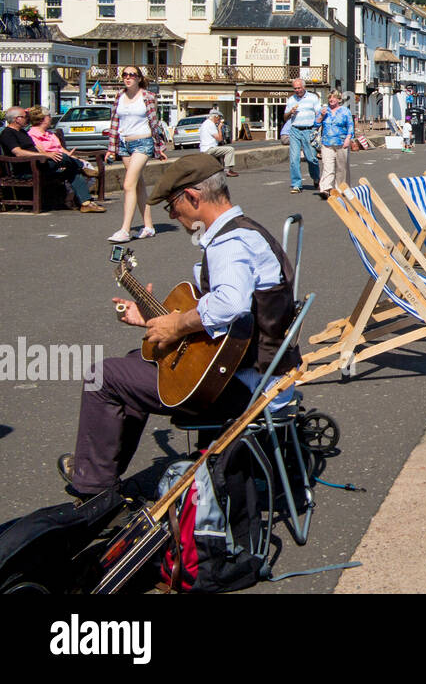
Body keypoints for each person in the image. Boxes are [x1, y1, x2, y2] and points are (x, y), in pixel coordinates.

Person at [57, 155, 299, 501]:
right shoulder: (245, 229)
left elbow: (231, 304)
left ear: (193, 197)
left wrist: (179, 324)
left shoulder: (228, 244)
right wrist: (154, 320)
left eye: (172, 206)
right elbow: (227, 310)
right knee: (138, 361)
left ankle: (93, 489)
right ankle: (97, 467)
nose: (172, 216)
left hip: (246, 388)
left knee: (104, 376)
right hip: (261, 372)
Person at [104, 66, 169, 241]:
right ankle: (148, 226)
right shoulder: (119, 96)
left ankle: (125, 230)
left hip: (143, 142)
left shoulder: (148, 97)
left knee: (128, 185)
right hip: (125, 144)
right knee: (138, 185)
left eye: (132, 75)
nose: (128, 78)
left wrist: (159, 147)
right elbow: (114, 123)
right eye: (125, 75)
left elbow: (154, 123)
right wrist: (111, 148)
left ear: (139, 78)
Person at [2, 106, 104, 213]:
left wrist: (45, 154)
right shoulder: (8, 133)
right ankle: (82, 166)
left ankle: (86, 203)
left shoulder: (22, 132)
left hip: (39, 164)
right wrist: (46, 155)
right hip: (28, 169)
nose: (27, 118)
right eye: (25, 116)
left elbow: (37, 148)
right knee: (63, 157)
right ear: (17, 119)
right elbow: (18, 153)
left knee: (71, 171)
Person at [281, 77, 321, 194]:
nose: (297, 90)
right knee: (294, 159)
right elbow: (285, 117)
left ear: (304, 87)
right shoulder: (291, 100)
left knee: (311, 158)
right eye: (295, 88)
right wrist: (290, 112)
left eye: (299, 88)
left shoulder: (312, 98)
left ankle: (316, 178)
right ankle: (296, 184)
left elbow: (318, 113)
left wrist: (317, 127)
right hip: (295, 130)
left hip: (308, 130)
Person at [317, 90, 355, 199]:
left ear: (339, 99)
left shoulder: (345, 111)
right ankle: (325, 189)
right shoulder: (324, 111)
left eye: (333, 98)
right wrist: (321, 116)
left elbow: (350, 126)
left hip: (341, 142)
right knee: (327, 166)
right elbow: (316, 124)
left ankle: (341, 188)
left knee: (341, 168)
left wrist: (348, 138)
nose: (331, 100)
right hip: (327, 142)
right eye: (329, 98)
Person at [198, 110, 238, 176]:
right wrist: (219, 128)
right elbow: (219, 139)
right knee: (230, 149)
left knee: (220, 151)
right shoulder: (210, 124)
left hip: (205, 148)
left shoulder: (205, 123)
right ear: (215, 116)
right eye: (219, 117)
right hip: (209, 149)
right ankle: (228, 170)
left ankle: (219, 169)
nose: (219, 120)